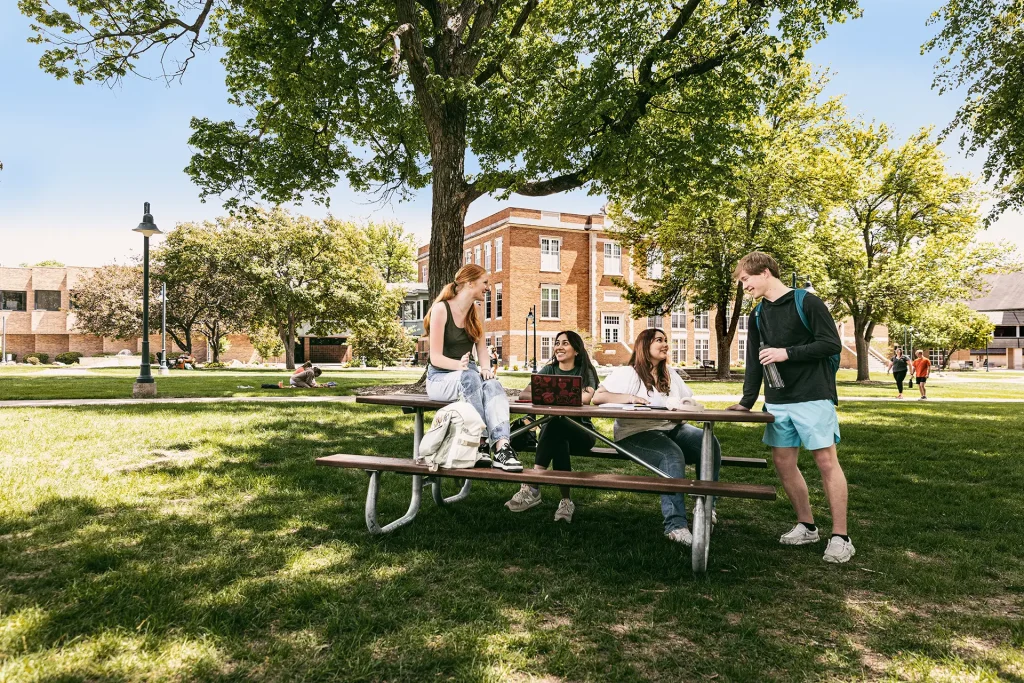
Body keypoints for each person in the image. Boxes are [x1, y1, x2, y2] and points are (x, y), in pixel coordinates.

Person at [726, 251, 854, 563]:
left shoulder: (807, 302)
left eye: (746, 280)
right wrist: (746, 401)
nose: (744, 287)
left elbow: (830, 344)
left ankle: (841, 537)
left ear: (765, 272)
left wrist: (787, 353)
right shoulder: (757, 315)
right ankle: (807, 525)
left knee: (826, 462)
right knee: (783, 463)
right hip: (778, 401)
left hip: (813, 395)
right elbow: (757, 360)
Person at [592, 327, 722, 547]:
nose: (665, 344)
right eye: (659, 340)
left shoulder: (669, 373)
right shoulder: (628, 373)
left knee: (709, 443)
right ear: (645, 346)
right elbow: (597, 397)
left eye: (666, 340)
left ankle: (707, 507)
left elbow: (687, 401)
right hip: (635, 432)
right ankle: (676, 526)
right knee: (671, 455)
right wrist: (631, 398)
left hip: (670, 427)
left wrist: (682, 410)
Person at [424, 264, 521, 471]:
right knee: (470, 376)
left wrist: (485, 368)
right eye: (485, 283)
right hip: (439, 378)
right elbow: (435, 358)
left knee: (493, 384)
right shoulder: (441, 309)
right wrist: (458, 366)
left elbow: (482, 349)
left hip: (468, 376)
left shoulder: (476, 311)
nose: (488, 288)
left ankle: (502, 447)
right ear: (469, 283)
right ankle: (481, 443)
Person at [505, 331, 599, 522]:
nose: (559, 347)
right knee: (557, 435)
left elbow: (586, 398)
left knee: (556, 422)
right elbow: (525, 394)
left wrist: (549, 397)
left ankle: (533, 486)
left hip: (583, 433)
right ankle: (566, 502)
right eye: (557, 343)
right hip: (554, 435)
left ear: (577, 350)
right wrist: (552, 397)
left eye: (565, 343)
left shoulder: (585, 371)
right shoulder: (549, 370)